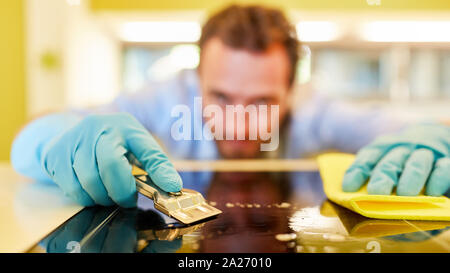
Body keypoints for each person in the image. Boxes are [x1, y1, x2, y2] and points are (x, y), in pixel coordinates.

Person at [11, 5, 450, 208]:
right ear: (197, 79)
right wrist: (53, 140)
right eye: (220, 98)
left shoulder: (314, 110)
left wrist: (434, 138)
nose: (238, 122)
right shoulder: (167, 97)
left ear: (291, 91)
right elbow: (41, 126)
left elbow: (408, 129)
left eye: (262, 102)